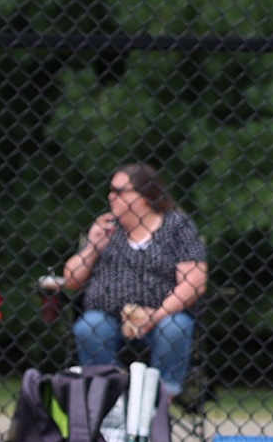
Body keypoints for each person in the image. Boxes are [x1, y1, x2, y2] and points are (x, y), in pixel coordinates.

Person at [59, 163, 208, 400]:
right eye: (111, 190)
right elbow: (71, 280)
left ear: (145, 196)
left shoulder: (177, 226)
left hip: (162, 316)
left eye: (119, 191)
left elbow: (195, 281)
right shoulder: (108, 228)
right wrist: (94, 247)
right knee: (89, 325)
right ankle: (109, 395)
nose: (111, 196)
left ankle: (159, 398)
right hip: (110, 317)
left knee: (175, 327)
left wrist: (154, 316)